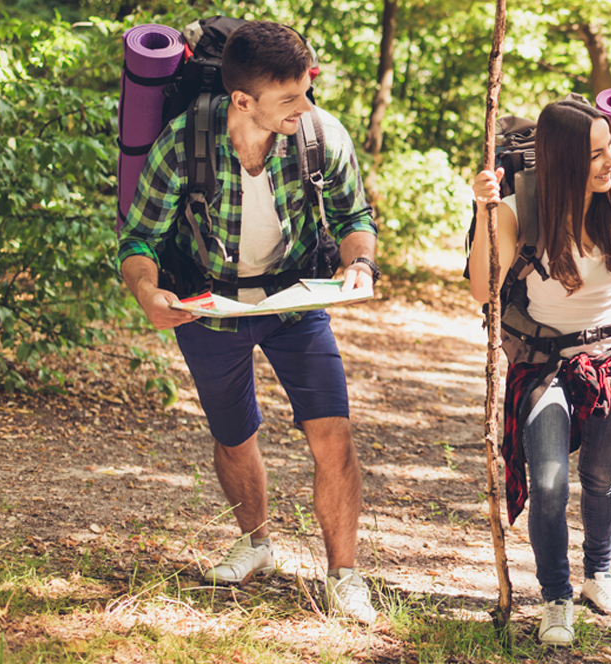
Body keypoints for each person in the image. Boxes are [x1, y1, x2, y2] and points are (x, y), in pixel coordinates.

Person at [116, 22, 379, 621]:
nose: (305, 107)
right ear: (242, 101)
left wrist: (359, 263)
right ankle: (256, 543)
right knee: (234, 436)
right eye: (289, 98)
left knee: (333, 435)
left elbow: (353, 217)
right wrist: (148, 293)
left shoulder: (320, 134)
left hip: (296, 303)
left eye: (306, 89)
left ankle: (344, 575)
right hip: (209, 309)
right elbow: (139, 239)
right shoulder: (183, 144)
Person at [466, 100, 611, 647]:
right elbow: (481, 289)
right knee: (551, 483)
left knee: (601, 477)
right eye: (597, 153)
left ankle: (598, 576)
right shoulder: (517, 211)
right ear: (560, 161)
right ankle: (556, 596)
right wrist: (485, 214)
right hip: (544, 364)